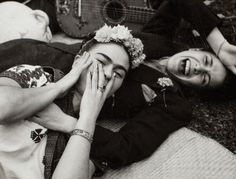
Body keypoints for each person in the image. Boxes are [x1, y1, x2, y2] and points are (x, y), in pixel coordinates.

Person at [0, 0, 236, 177]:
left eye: (204, 79)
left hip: (50, 98)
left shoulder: (174, 104)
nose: (197, 69)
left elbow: (128, 146)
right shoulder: (160, 38)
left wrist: (69, 124)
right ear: (197, 51)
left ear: (198, 89)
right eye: (207, 62)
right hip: (33, 58)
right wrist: (220, 44)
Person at [0, 24, 145, 179]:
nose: (109, 74)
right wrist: (59, 87)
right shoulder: (38, 77)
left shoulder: (94, 141)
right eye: (102, 61)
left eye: (118, 73)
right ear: (78, 62)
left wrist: (86, 119)